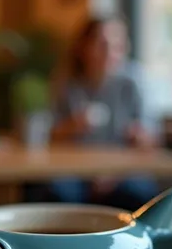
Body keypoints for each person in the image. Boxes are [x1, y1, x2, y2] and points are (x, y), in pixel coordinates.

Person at [48, 14, 161, 210]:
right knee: (57, 191)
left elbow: (152, 142)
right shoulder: (67, 82)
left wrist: (139, 138)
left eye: (117, 44)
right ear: (83, 48)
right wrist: (72, 126)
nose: (109, 51)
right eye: (101, 44)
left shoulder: (134, 81)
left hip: (124, 172)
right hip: (76, 171)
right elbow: (50, 138)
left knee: (141, 195)